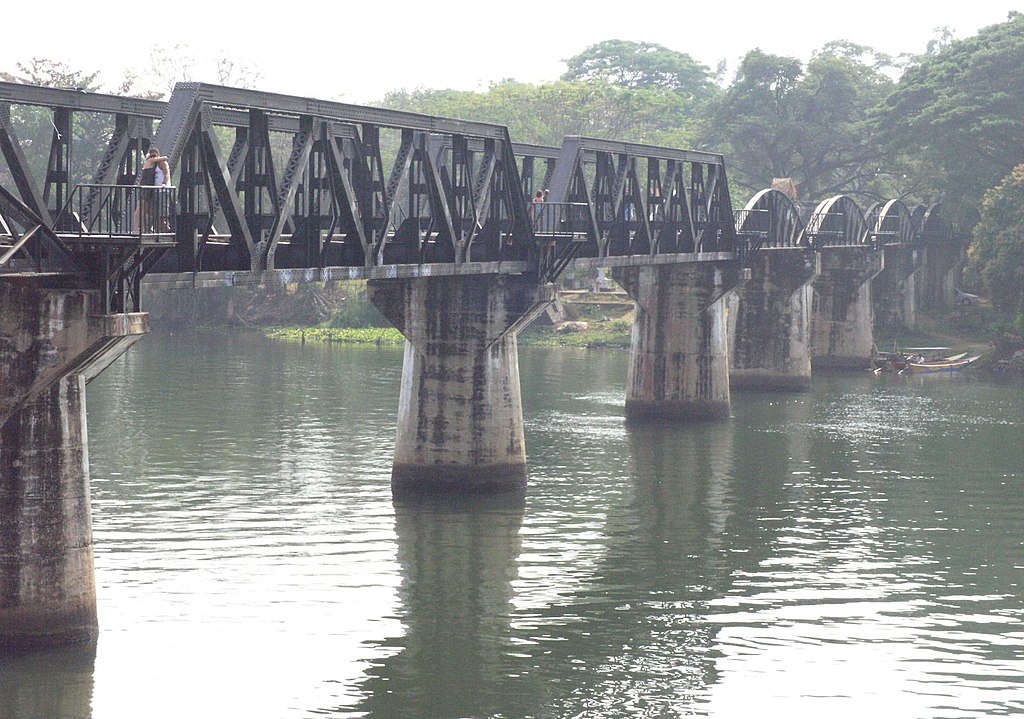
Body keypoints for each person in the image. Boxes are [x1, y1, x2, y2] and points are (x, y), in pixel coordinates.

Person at [135, 147, 171, 232]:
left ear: (158, 155)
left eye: (155, 156)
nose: (153, 157)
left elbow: (167, 174)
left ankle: (165, 229)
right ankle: (146, 229)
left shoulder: (162, 163)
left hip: (162, 191)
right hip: (153, 190)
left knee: (161, 213)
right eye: (151, 156)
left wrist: (164, 183)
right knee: (149, 210)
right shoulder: (152, 162)